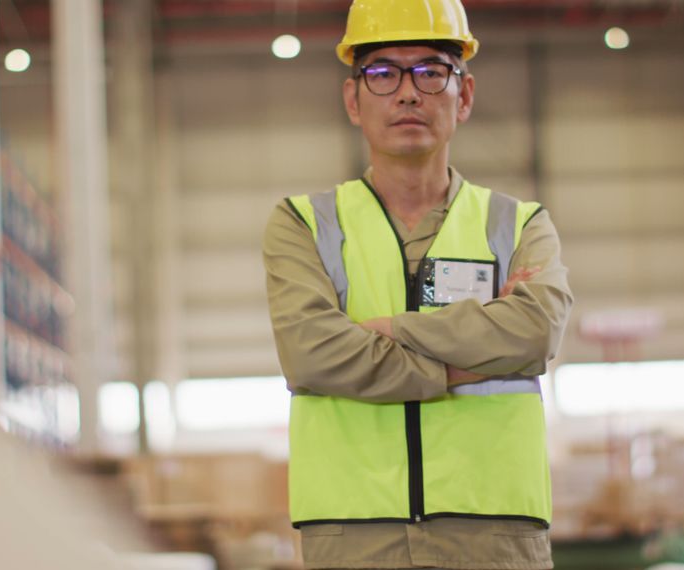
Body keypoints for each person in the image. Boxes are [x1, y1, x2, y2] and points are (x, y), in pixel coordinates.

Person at [262, 1, 574, 568]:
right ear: (353, 100)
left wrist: (384, 330)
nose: (408, 93)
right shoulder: (304, 223)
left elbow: (534, 334)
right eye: (382, 73)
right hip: (350, 530)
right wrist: (463, 364)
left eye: (431, 71)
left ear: (466, 95)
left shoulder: (518, 223)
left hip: (495, 527)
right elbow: (311, 354)